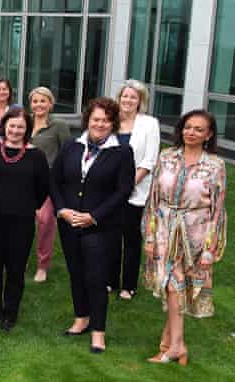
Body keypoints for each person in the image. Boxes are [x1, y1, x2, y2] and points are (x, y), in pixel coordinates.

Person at [142, 110, 226, 365]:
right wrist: (149, 234)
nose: (191, 132)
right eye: (188, 127)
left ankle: (171, 343)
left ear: (208, 134)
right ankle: (176, 345)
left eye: (199, 129)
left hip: (196, 235)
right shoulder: (166, 157)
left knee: (180, 288)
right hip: (165, 232)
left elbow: (217, 210)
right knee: (171, 286)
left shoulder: (215, 165)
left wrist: (211, 248)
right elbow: (153, 198)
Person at [50, 97, 134, 354]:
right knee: (76, 272)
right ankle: (81, 318)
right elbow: (55, 181)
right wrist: (62, 210)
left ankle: (98, 331)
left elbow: (123, 191)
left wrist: (93, 216)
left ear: (113, 124)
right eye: (96, 119)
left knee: (96, 278)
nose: (100, 124)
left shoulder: (121, 152)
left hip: (100, 227)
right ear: (88, 119)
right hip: (69, 224)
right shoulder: (71, 147)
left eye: (106, 120)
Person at [0, 108, 49, 332]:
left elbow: (43, 188)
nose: (16, 130)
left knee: (15, 269)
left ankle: (10, 313)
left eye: (20, 127)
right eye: (12, 125)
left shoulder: (36, 156)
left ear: (27, 129)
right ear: (4, 126)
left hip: (21, 222)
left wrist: (27, 205)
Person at [111, 80, 161, 300]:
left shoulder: (149, 124)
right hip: (108, 191)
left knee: (131, 239)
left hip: (135, 191)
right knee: (110, 236)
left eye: (133, 97)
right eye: (125, 96)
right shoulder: (111, 121)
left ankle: (128, 285)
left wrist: (127, 186)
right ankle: (110, 280)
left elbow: (149, 161)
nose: (128, 100)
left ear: (140, 101)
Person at [28, 86, 72, 283]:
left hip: (47, 182)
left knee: (45, 221)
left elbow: (68, 153)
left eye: (42, 101)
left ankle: (42, 265)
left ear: (50, 104)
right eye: (35, 101)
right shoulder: (24, 122)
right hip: (22, 180)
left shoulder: (59, 125)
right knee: (19, 221)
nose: (38, 105)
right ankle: (18, 259)